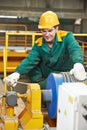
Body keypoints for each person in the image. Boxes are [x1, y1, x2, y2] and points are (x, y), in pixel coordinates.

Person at [3, 11, 86, 89]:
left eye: (50, 31)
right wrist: (17, 73)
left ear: (56, 28)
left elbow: (75, 49)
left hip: (67, 73)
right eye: (44, 31)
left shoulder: (67, 37)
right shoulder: (38, 44)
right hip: (49, 75)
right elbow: (30, 60)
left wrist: (78, 63)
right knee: (33, 70)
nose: (47, 35)